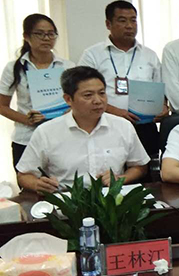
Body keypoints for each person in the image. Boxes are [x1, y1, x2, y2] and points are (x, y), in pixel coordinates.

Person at [16, 66, 150, 193]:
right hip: (67, 200)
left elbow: (139, 166)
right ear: (68, 99)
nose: (98, 101)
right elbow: (24, 175)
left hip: (110, 200)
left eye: (102, 93)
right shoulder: (46, 131)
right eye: (88, 95)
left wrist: (120, 179)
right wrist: (37, 184)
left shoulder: (123, 126)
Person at [79, 0, 167, 159]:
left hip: (144, 126)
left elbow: (160, 90)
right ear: (108, 24)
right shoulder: (92, 54)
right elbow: (83, 91)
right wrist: (115, 111)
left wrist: (163, 107)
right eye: (122, 20)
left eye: (133, 20)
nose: (129, 26)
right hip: (106, 124)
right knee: (110, 168)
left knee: (147, 169)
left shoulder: (149, 55)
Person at [0, 14, 74, 168]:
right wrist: (26, 120)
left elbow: (77, 100)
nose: (46, 38)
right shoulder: (14, 67)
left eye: (51, 34)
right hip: (26, 138)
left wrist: (68, 112)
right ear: (26, 36)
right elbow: (2, 105)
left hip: (61, 137)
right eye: (39, 34)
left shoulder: (67, 66)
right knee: (28, 181)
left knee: (60, 182)